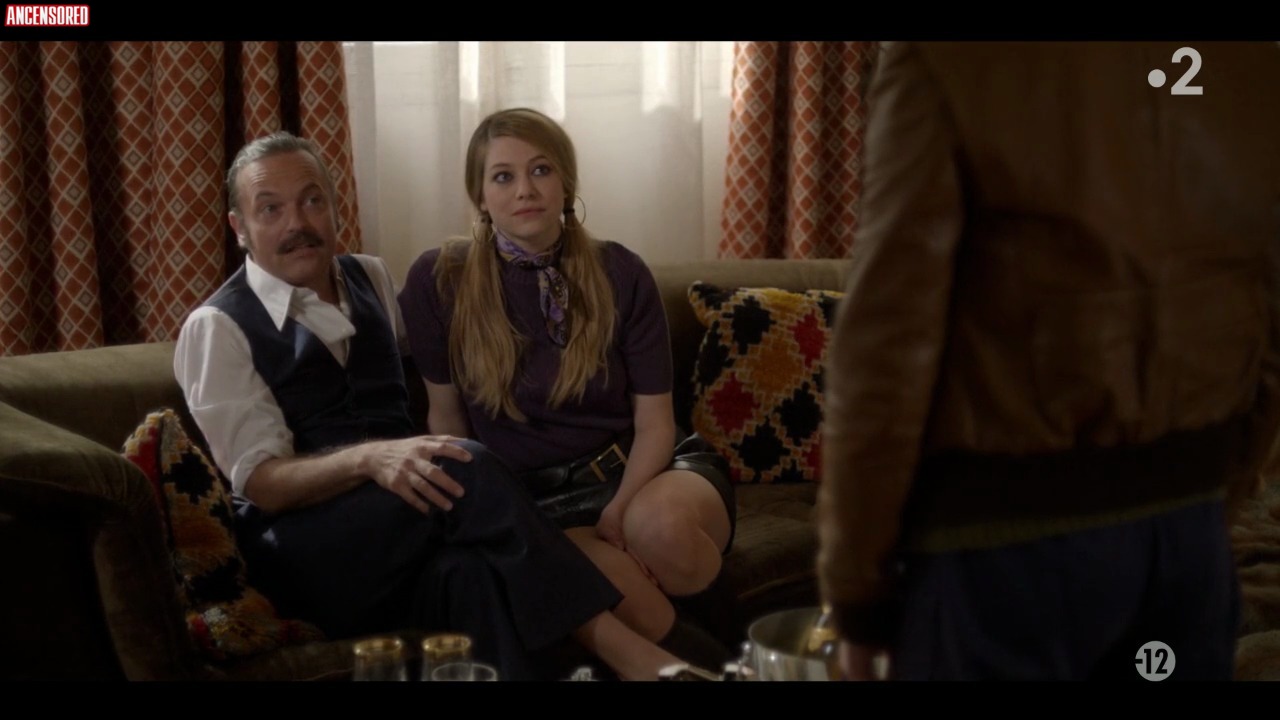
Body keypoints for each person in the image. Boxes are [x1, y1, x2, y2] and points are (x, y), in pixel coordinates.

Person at [816, 41, 1280, 681]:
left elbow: (887, 344)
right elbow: (1267, 306)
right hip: (1185, 537)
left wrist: (856, 590)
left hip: (1002, 554)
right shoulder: (1251, 65)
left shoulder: (950, 58)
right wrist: (1219, 489)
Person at [173, 130, 690, 681]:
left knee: (471, 573)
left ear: (335, 205)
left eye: (312, 200)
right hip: (305, 553)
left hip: (406, 528)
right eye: (270, 209)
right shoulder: (217, 327)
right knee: (458, 461)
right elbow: (261, 483)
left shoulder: (371, 277)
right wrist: (369, 459)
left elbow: (446, 376)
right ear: (239, 228)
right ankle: (630, 653)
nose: (297, 223)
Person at [397, 108, 735, 665]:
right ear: (480, 195)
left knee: (662, 532)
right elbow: (447, 422)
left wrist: (620, 509)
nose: (525, 190)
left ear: (565, 182)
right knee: (620, 591)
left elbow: (655, 422)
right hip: (538, 503)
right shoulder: (439, 281)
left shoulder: (620, 271)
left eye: (541, 170)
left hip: (644, 470)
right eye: (503, 176)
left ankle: (762, 658)